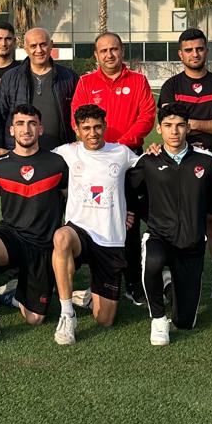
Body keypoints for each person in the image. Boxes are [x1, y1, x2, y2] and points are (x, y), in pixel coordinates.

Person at [129, 104, 212, 345]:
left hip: (191, 243)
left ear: (188, 128)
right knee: (153, 261)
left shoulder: (206, 161)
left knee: (185, 321)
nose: (174, 131)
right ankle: (158, 319)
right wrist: (145, 215)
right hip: (159, 236)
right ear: (159, 129)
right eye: (168, 126)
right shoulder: (148, 161)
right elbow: (130, 190)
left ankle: (168, 284)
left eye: (180, 125)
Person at [0, 106, 70, 343]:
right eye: (20, 124)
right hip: (12, 238)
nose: (26, 129)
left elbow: (72, 201)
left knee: (35, 318)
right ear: (11, 130)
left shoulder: (57, 163)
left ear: (40, 128)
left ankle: (13, 296)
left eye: (32, 123)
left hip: (43, 244)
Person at [71, 32, 156, 303]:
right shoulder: (86, 82)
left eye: (114, 49)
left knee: (128, 221)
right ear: (96, 55)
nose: (109, 55)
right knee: (96, 217)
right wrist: (103, 150)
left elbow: (147, 116)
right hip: (95, 162)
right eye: (104, 50)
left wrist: (119, 148)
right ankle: (99, 277)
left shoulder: (138, 81)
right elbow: (76, 118)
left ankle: (132, 280)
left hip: (128, 160)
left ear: (122, 51)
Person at [157, 27, 212, 302]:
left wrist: (193, 123)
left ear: (207, 51)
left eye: (199, 49)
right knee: (176, 221)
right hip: (180, 161)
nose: (194, 54)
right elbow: (171, 124)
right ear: (180, 54)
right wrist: (211, 126)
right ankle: (170, 278)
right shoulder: (171, 86)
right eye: (188, 50)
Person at [52, 105, 141, 336]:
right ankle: (67, 313)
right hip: (79, 231)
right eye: (86, 128)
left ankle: (87, 294)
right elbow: (35, 157)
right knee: (61, 237)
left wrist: (131, 209)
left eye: (97, 127)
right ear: (77, 130)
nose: (93, 133)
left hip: (110, 239)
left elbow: (148, 171)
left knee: (105, 320)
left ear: (105, 126)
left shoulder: (121, 152)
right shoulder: (67, 151)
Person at [0, 26, 76, 150]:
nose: (39, 50)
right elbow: (1, 116)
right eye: (33, 46)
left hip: (61, 151)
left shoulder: (69, 77)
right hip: (21, 152)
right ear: (25, 48)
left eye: (43, 44)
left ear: (51, 45)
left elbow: (78, 116)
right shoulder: (10, 78)